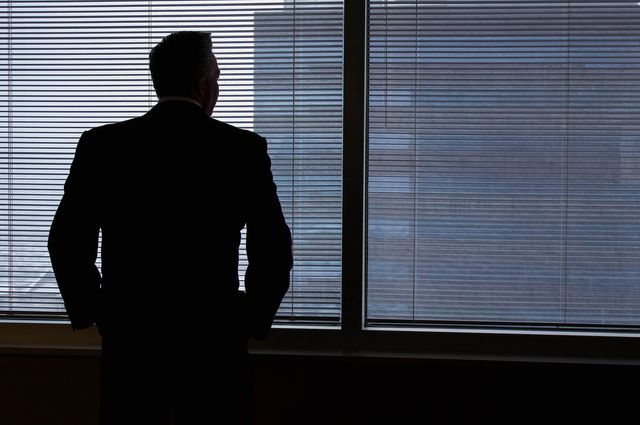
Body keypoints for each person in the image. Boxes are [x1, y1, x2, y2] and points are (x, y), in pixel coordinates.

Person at [48, 31, 293, 424]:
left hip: (131, 344)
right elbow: (274, 249)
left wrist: (97, 311)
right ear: (203, 85)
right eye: (217, 76)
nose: (219, 85)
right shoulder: (241, 150)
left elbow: (65, 242)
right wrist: (249, 320)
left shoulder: (103, 146)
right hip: (214, 345)